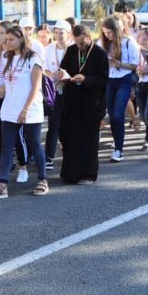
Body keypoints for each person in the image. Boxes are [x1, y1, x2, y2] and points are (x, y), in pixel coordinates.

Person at [0, 24, 48, 199]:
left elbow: (35, 87)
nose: (7, 42)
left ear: (21, 38)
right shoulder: (9, 58)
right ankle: (2, 185)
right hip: (10, 109)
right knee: (7, 147)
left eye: (11, 39)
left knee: (34, 145)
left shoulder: (33, 58)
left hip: (30, 110)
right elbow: (11, 81)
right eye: (6, 40)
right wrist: (1, 89)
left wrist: (25, 109)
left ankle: (42, 180)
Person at [58, 25, 109, 184]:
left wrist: (86, 80)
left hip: (90, 102)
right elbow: (63, 68)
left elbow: (103, 80)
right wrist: (63, 75)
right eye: (76, 42)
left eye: (81, 42)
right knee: (69, 137)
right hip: (72, 100)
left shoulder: (99, 53)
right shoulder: (72, 50)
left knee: (88, 140)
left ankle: (88, 174)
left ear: (88, 36)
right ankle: (69, 173)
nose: (78, 46)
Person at [100, 16, 139, 162]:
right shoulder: (104, 43)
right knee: (111, 115)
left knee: (117, 114)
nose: (108, 36)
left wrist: (118, 64)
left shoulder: (128, 42)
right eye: (105, 33)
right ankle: (117, 145)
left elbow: (134, 65)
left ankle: (119, 149)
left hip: (124, 79)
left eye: (110, 33)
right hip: (109, 80)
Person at [42, 20, 71, 169]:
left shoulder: (73, 49)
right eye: (57, 32)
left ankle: (70, 154)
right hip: (54, 90)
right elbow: (44, 69)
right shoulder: (48, 49)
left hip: (71, 90)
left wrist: (66, 76)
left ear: (69, 34)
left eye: (62, 33)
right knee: (53, 125)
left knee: (69, 124)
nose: (59, 36)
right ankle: (49, 157)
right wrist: (52, 75)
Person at [133, 28, 148, 152]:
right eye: (139, 36)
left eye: (142, 36)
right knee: (143, 114)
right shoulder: (136, 51)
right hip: (140, 84)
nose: (140, 39)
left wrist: (145, 71)